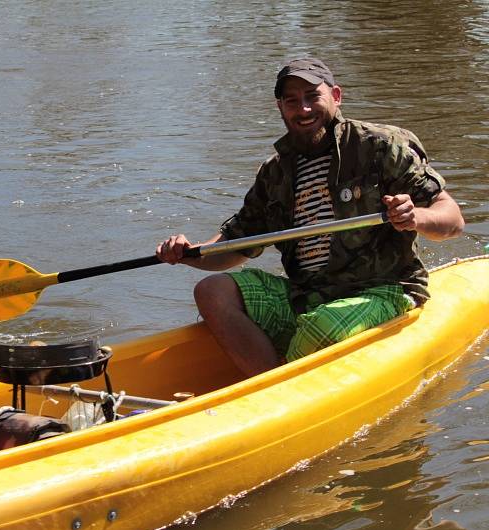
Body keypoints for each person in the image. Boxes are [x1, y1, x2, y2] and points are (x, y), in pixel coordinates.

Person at [156, 57, 465, 377]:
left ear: (336, 95)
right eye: (291, 100)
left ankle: (276, 388)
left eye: (312, 96)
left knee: (321, 326)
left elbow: (452, 219)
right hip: (307, 296)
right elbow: (235, 244)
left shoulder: (381, 145)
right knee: (212, 291)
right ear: (280, 107)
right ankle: (267, 381)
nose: (302, 109)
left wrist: (415, 217)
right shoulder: (273, 172)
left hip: (383, 290)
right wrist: (188, 253)